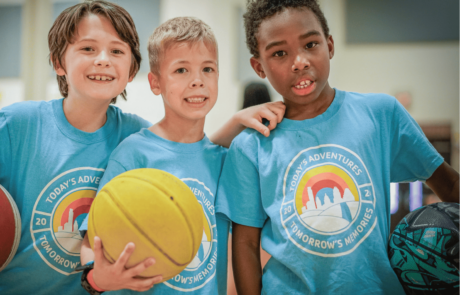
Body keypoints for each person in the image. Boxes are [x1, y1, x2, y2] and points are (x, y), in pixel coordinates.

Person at [0, 1, 283, 294]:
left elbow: (188, 152)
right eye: (88, 48)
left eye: (117, 51)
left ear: (132, 70)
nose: (102, 59)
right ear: (58, 62)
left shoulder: (134, 132)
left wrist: (236, 122)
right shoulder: (19, 124)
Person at [215, 0, 460, 294]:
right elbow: (245, 243)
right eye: (280, 53)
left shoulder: (381, 114)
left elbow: (450, 184)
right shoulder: (249, 147)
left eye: (311, 44)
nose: (300, 61)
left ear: (329, 46)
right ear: (259, 67)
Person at [78, 16, 285, 295]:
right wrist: (97, 279)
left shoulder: (227, 160)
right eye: (181, 70)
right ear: (155, 83)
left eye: (208, 69)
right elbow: (92, 241)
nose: (197, 81)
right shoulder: (134, 153)